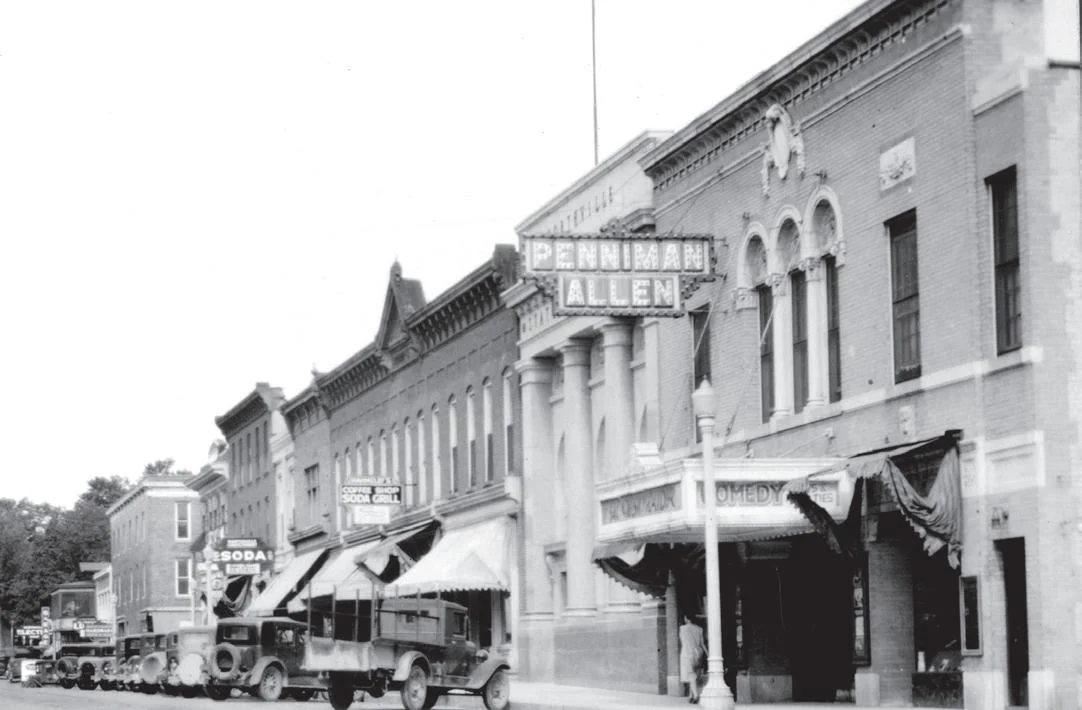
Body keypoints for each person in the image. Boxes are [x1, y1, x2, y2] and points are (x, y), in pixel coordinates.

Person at [679, 615, 707, 704]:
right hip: (698, 653)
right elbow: (702, 643)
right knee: (694, 674)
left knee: (690, 675)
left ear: (686, 618)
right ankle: (691, 696)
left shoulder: (682, 629)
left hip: (687, 652)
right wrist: (708, 654)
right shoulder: (699, 629)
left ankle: (695, 696)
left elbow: (682, 641)